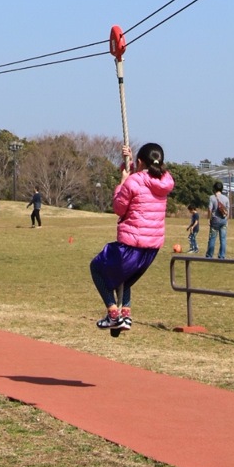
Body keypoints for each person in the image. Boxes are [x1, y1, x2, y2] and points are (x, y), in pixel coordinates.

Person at [90, 143, 174, 335]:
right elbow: (144, 180)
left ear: (139, 161)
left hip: (131, 244)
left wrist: (122, 181)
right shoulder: (165, 180)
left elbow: (119, 208)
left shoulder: (132, 181)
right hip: (151, 248)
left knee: (96, 267)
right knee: (125, 279)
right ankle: (125, 315)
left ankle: (113, 313)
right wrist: (128, 166)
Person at [206, 181, 229, 260]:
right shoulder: (226, 198)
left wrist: (209, 219)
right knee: (223, 239)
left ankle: (209, 255)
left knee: (212, 238)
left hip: (215, 220)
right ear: (222, 189)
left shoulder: (212, 197)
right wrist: (226, 220)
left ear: (214, 189)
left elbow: (210, 209)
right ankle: (222, 256)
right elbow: (227, 211)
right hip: (224, 221)